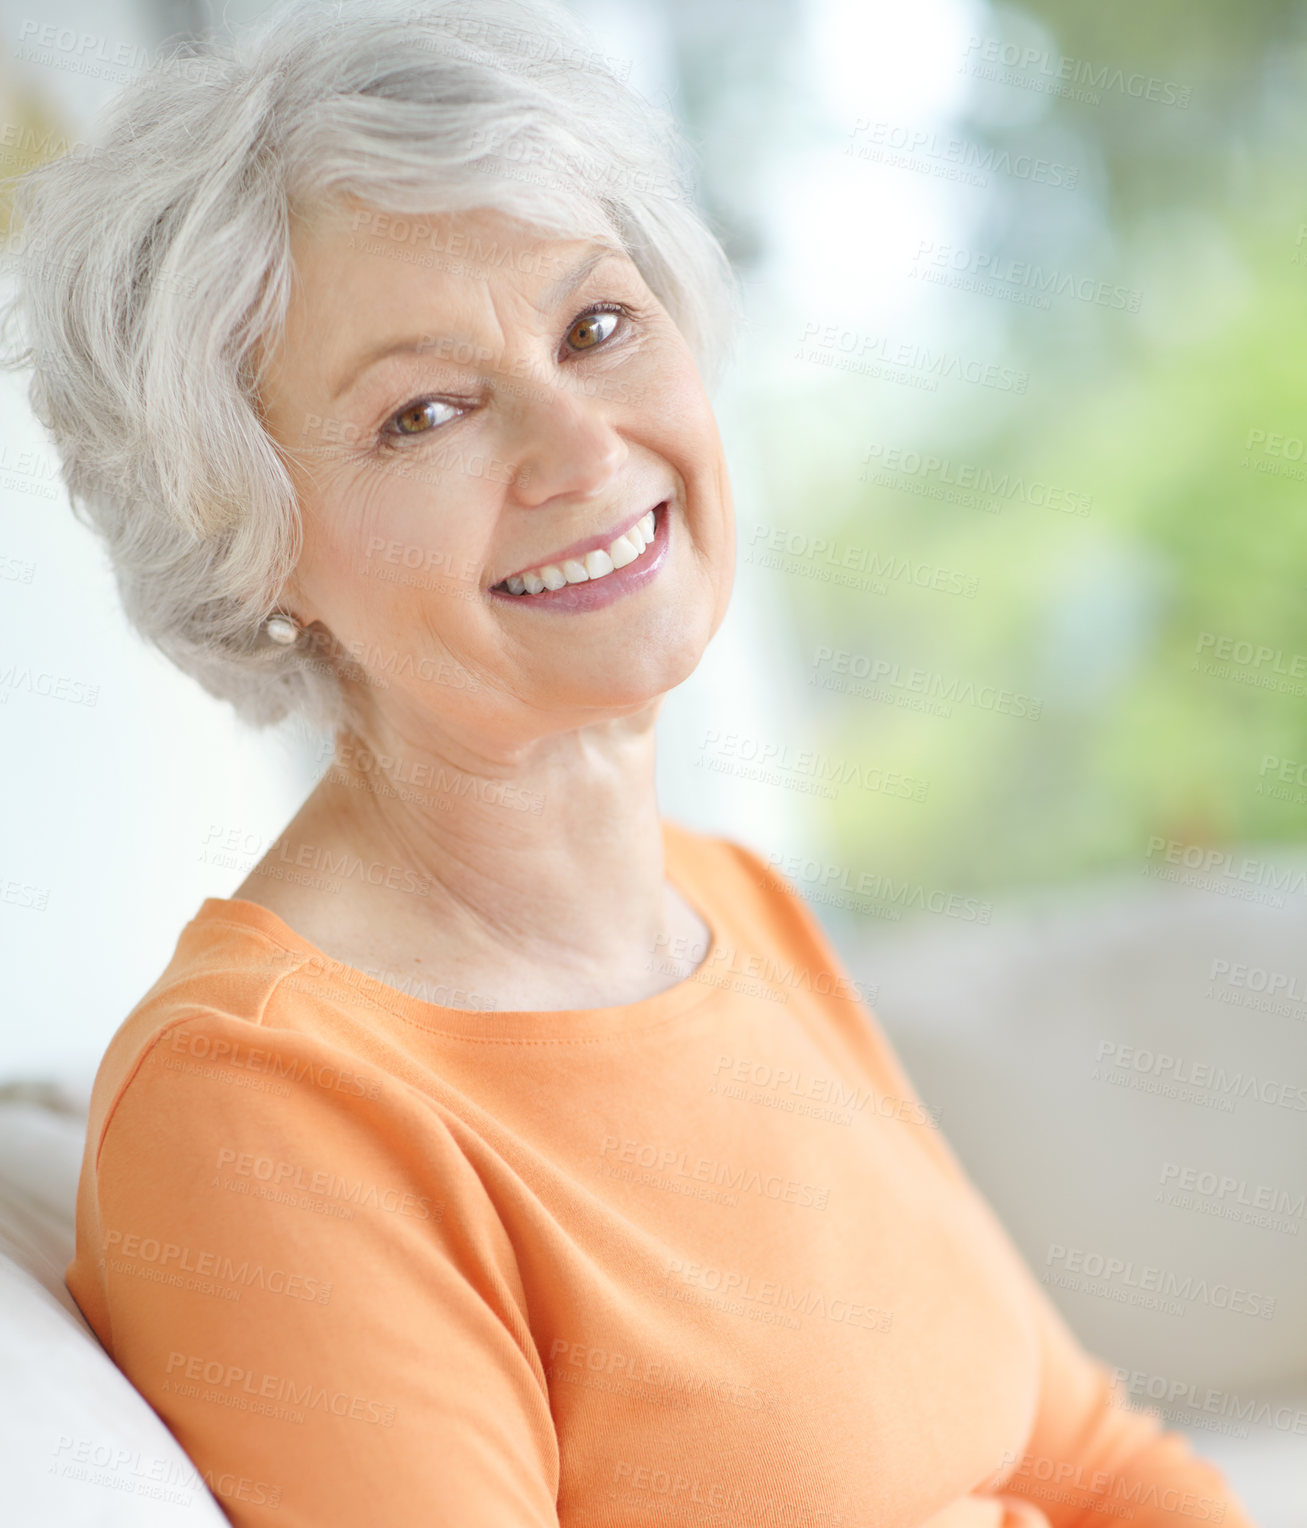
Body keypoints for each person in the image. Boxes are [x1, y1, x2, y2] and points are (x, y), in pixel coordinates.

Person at [4, 1, 1259, 1523]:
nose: (582, 446)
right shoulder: (263, 1108)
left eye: (597, 327)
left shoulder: (724, 903)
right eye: (425, 412)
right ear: (247, 539)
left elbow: (1096, 1459)